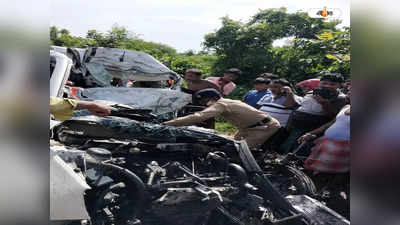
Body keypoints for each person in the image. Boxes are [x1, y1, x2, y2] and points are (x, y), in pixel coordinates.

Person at [163, 89, 280, 149]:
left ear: (213, 98)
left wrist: (169, 124)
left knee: (240, 151)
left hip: (264, 128)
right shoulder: (226, 101)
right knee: (229, 144)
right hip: (250, 127)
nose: (204, 104)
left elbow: (199, 117)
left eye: (204, 101)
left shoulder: (221, 104)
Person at [279, 73, 346, 154]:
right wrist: (290, 94)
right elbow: (300, 106)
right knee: (286, 147)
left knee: (298, 149)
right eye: (324, 83)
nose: (327, 86)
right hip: (296, 125)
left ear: (340, 85)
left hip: (312, 128)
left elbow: (333, 117)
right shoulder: (312, 92)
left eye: (332, 84)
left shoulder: (340, 97)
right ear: (319, 83)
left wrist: (324, 103)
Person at [297, 104, 350, 173]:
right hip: (325, 142)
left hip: (341, 149)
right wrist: (310, 133)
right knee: (308, 168)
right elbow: (330, 124)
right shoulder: (346, 107)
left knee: (323, 175)